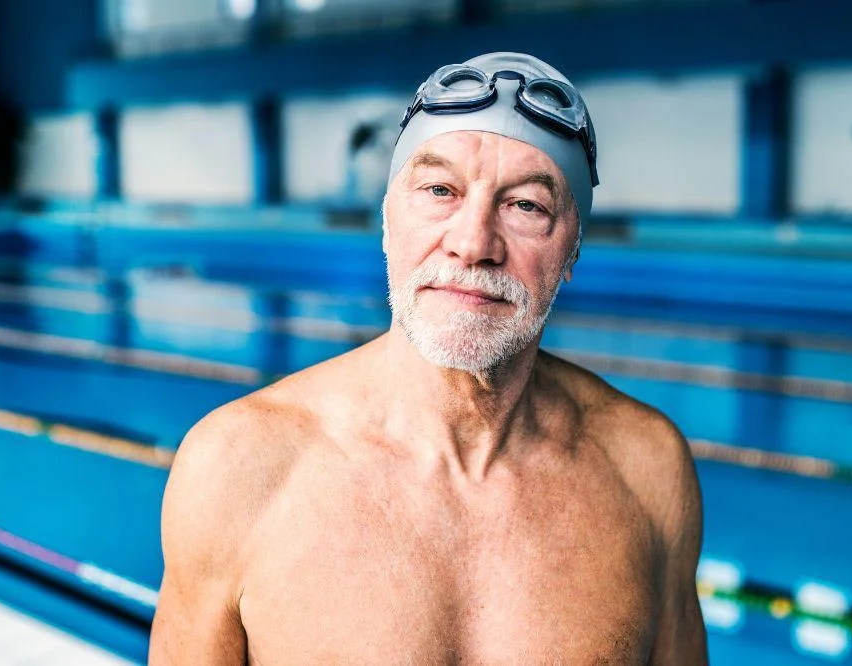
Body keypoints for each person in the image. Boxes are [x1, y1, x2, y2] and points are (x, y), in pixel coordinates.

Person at [149, 52, 708, 664]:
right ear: (388, 219)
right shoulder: (239, 469)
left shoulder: (647, 469)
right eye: (440, 190)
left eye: (525, 206)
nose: (473, 243)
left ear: (571, 247)